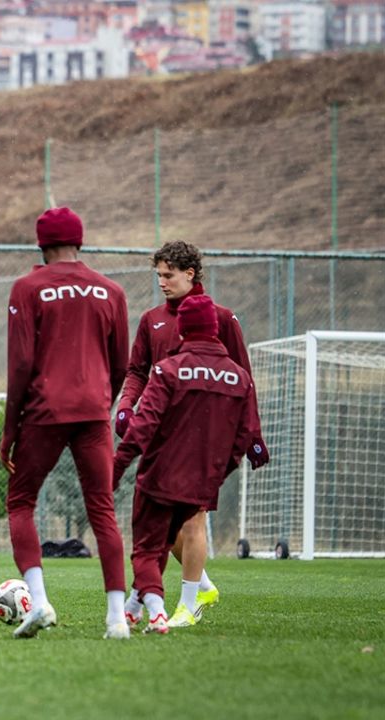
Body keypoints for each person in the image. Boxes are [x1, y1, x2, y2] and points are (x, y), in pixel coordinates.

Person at [115, 240, 269, 628]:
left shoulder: (221, 318)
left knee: (191, 518)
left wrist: (253, 435)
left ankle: (188, 604)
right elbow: (137, 371)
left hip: (205, 436)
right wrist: (126, 405)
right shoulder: (152, 320)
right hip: (161, 433)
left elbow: (244, 379)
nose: (161, 282)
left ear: (190, 273)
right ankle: (198, 585)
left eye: (168, 275)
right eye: (158, 275)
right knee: (160, 523)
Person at [0, 207, 130, 640]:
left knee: (21, 502)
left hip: (44, 410)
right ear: (79, 240)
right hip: (94, 410)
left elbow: (21, 364)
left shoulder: (27, 288)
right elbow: (121, 364)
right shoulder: (111, 291)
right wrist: (102, 399)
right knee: (103, 510)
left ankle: (39, 602)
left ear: (41, 244)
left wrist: (10, 430)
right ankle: (117, 619)